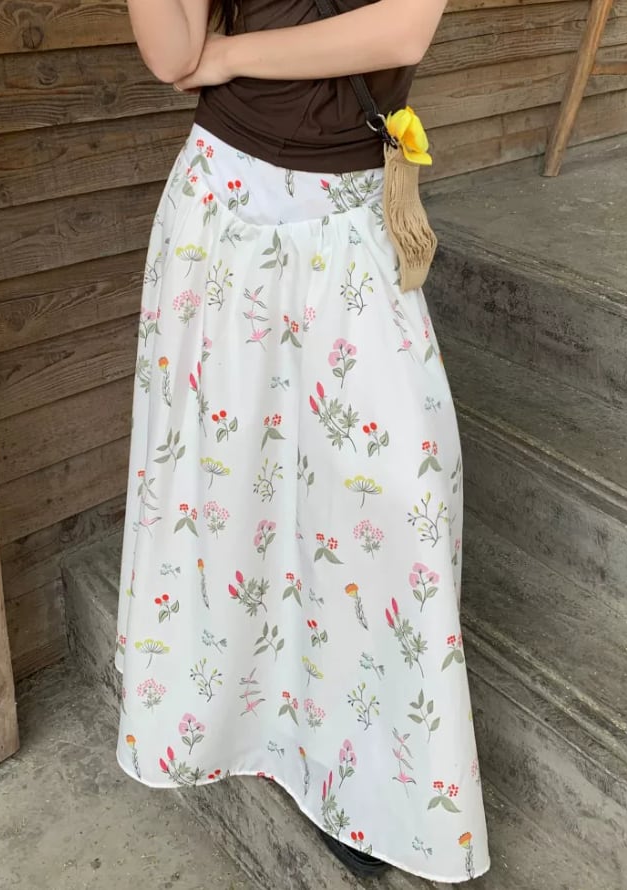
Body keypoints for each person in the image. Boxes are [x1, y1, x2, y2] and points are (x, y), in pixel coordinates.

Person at [115, 0, 490, 882]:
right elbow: (173, 55)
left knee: (390, 495)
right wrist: (209, 57)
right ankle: (243, 729)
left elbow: (402, 29)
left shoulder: (250, 55)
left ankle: (369, 783)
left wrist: (232, 54)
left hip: (348, 210)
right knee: (226, 494)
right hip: (221, 206)